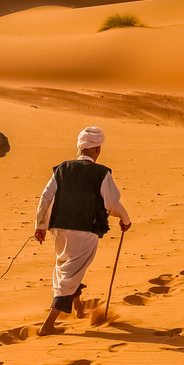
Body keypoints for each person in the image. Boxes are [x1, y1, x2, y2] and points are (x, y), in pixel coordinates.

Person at [34, 126, 132, 335]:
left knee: (67, 266)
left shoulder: (61, 169)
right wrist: (125, 219)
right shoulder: (101, 173)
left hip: (59, 229)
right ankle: (48, 325)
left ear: (80, 147)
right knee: (71, 272)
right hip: (85, 230)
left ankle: (78, 309)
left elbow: (45, 198)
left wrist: (40, 226)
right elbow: (112, 202)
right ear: (97, 149)